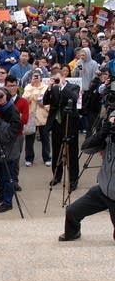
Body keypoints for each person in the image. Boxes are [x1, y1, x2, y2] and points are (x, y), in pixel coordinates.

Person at [59, 111, 115, 241]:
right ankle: (73, 233)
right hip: (103, 189)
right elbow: (86, 148)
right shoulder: (109, 134)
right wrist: (102, 133)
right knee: (72, 211)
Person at [42, 70, 81, 191]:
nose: (56, 80)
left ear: (63, 76)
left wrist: (62, 86)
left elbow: (74, 99)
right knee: (56, 152)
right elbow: (45, 101)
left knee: (72, 154)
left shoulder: (73, 87)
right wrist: (49, 88)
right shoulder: (53, 88)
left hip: (70, 124)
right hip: (56, 124)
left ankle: (73, 180)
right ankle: (57, 176)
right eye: (54, 78)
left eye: (58, 78)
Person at [0, 87, 23, 213]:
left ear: (7, 97)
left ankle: (8, 202)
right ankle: (2, 194)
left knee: (7, 176)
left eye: (1, 96)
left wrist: (0, 124)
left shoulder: (13, 110)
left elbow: (13, 131)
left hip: (10, 149)